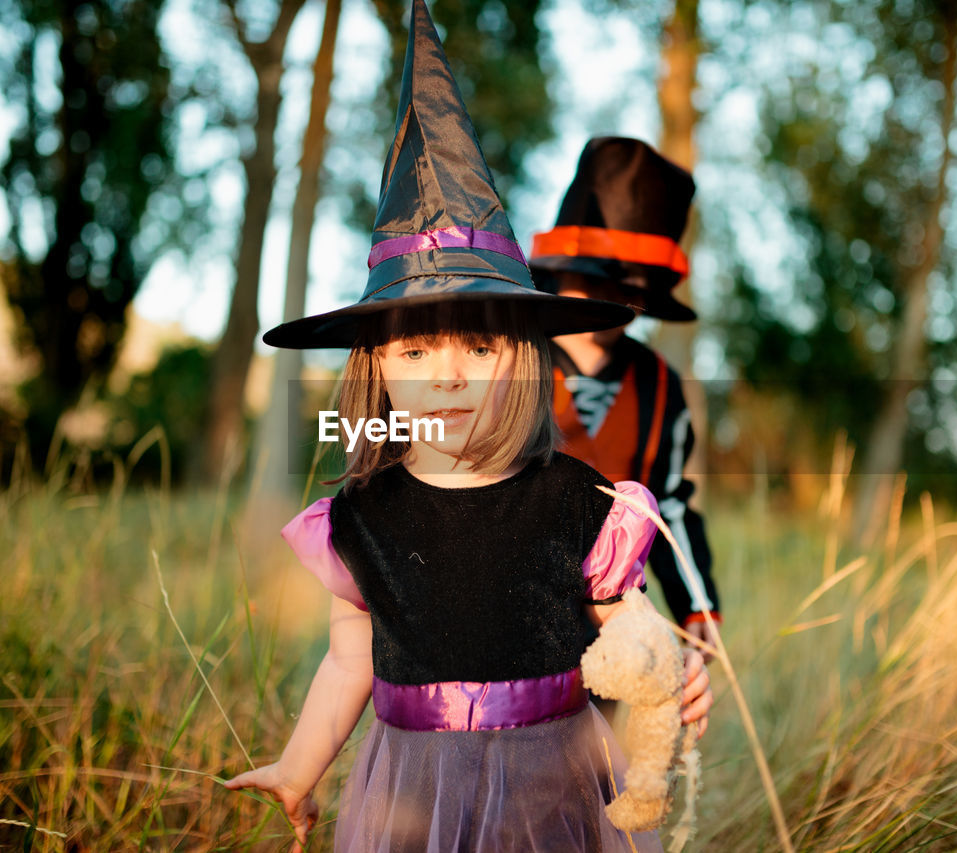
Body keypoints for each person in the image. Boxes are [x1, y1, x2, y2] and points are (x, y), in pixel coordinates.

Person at [224, 3, 712, 850]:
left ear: (520, 355)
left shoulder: (610, 452)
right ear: (374, 369)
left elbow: (644, 575)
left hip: (557, 743)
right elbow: (349, 659)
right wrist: (300, 766)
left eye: (481, 345)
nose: (449, 372)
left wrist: (678, 649)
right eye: (415, 350)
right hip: (414, 777)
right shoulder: (365, 516)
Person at [529, 138, 723, 654]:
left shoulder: (662, 387)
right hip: (514, 614)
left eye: (629, 290)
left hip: (616, 629)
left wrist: (695, 603)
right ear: (557, 272)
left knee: (607, 734)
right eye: (594, 281)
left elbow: (671, 510)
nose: (610, 304)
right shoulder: (509, 363)